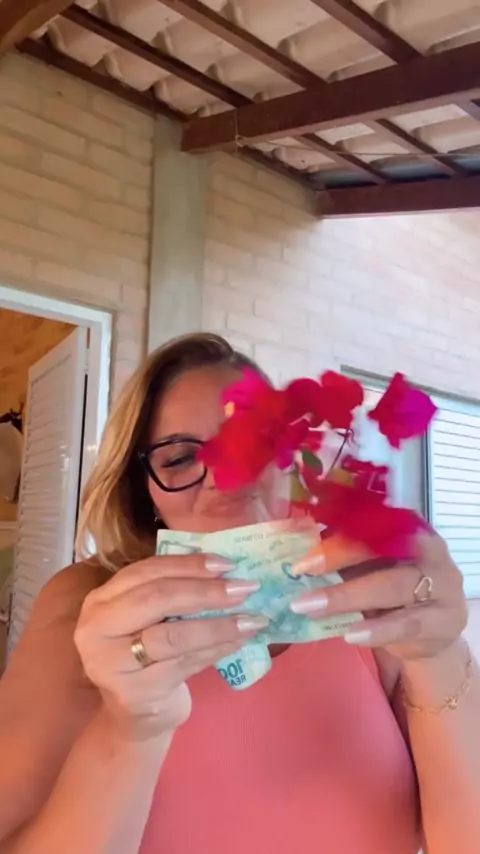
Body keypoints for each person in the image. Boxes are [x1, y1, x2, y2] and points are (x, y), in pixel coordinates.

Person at [0, 332, 478, 854]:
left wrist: (439, 654)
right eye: (180, 458)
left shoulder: (366, 591)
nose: (227, 479)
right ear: (145, 491)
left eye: (254, 440)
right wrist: (132, 729)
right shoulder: (86, 607)